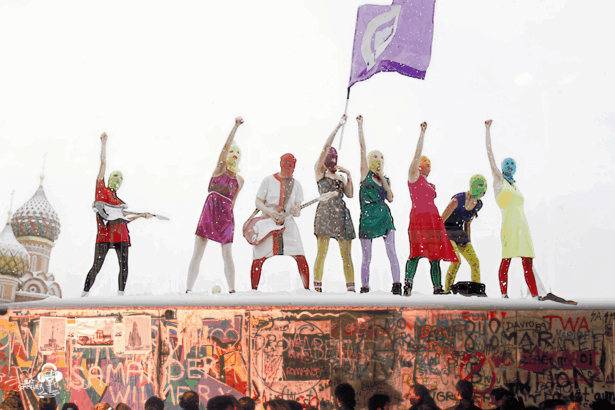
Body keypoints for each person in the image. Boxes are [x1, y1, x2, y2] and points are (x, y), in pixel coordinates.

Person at [484, 120, 575, 304]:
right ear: (502, 167)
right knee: (507, 259)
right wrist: (487, 130)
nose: (510, 166)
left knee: (528, 261)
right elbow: (490, 156)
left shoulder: (515, 186)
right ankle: (504, 295)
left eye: (512, 165)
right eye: (507, 164)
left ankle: (535, 295)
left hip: (523, 227)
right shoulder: (499, 182)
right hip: (509, 226)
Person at [82, 133, 153, 297]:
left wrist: (142, 215)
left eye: (120, 179)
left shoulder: (119, 202)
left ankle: (121, 296)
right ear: (109, 179)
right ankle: (84, 294)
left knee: (124, 266)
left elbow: (125, 218)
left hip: (121, 234)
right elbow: (103, 163)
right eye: (115, 177)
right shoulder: (101, 190)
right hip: (104, 234)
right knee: (97, 265)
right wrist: (104, 144)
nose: (117, 181)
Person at [186, 117, 245, 293]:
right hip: (210, 210)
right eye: (232, 152)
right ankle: (188, 289)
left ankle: (232, 290)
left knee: (227, 253)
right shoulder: (219, 169)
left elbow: (233, 202)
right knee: (198, 251)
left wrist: (230, 222)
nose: (234, 155)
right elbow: (225, 147)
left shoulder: (240, 180)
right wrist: (235, 127)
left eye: (237, 153)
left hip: (226, 215)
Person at [405, 122, 459, 296]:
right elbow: (416, 155)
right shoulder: (413, 177)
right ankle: (408, 285)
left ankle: (437, 287)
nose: (426, 164)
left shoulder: (429, 184)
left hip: (432, 220)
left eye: (428, 163)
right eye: (424, 162)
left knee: (435, 255)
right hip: (419, 218)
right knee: (415, 252)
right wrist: (422, 134)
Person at [356, 115, 402, 295]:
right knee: (366, 256)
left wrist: (382, 176)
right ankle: (365, 286)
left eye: (380, 158)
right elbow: (362, 149)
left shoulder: (385, 179)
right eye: (374, 158)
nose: (377, 160)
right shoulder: (364, 175)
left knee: (391, 250)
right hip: (368, 216)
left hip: (384, 216)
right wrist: (360, 126)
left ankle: (397, 284)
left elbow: (390, 197)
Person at [250, 154, 310, 290]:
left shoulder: (296, 185)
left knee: (300, 255)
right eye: (287, 166)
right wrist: (271, 212)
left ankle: (307, 290)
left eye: (291, 168)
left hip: (288, 225)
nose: (289, 171)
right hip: (267, 224)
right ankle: (253, 291)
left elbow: (298, 212)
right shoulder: (268, 181)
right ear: (281, 164)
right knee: (258, 257)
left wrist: (296, 210)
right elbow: (258, 202)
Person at [313, 115, 356, 292]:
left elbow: (350, 194)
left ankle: (351, 288)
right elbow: (325, 147)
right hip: (325, 213)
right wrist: (338, 126)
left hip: (341, 214)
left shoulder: (339, 176)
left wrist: (348, 175)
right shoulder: (320, 172)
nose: (332, 162)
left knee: (346, 254)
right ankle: (317, 287)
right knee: (321, 252)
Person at [441, 175, 488, 295]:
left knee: (475, 262)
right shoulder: (457, 200)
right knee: (456, 260)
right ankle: (447, 291)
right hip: (447, 231)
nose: (482, 193)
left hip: (460, 233)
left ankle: (477, 290)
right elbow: (441, 220)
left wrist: (468, 242)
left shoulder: (478, 204)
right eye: (481, 189)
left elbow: (467, 224)